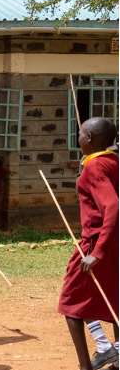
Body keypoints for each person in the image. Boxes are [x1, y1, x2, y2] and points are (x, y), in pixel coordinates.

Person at [57, 117, 119, 370]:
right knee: (115, 299)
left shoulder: (95, 168)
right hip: (114, 241)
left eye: (81, 133)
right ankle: (113, 354)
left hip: (97, 243)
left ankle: (91, 360)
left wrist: (98, 252)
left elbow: (113, 206)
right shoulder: (113, 161)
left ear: (90, 138)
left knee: (71, 302)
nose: (78, 137)